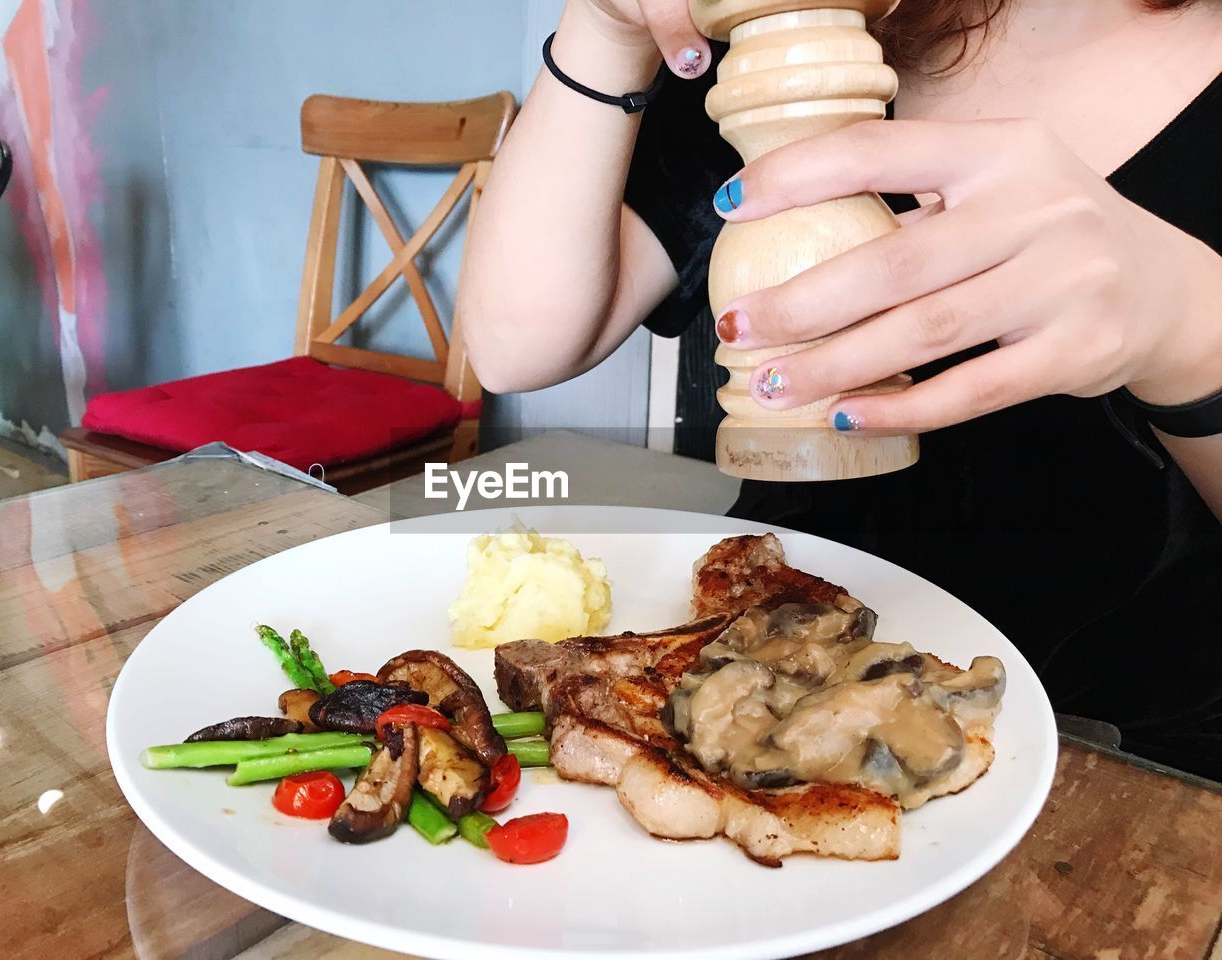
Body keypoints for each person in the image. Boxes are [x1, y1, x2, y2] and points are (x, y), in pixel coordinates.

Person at [458, 0, 1222, 779]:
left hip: (1135, 762)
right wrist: (605, 28)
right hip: (758, 695)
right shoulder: (795, 30)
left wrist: (1193, 336)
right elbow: (516, 347)